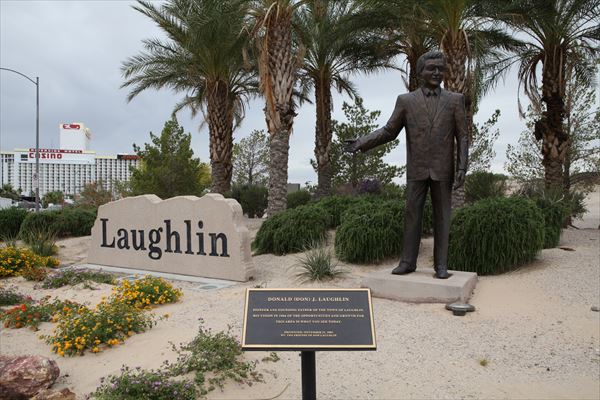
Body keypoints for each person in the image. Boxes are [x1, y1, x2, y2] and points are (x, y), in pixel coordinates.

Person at [344, 50, 468, 279]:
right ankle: (408, 262)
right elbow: (389, 131)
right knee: (412, 215)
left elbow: (463, 136)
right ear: (420, 72)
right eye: (431, 68)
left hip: (443, 169)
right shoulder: (406, 101)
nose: (437, 72)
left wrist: (462, 167)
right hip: (416, 169)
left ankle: (441, 266)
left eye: (440, 69)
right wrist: (362, 142)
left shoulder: (455, 100)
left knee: (443, 217)